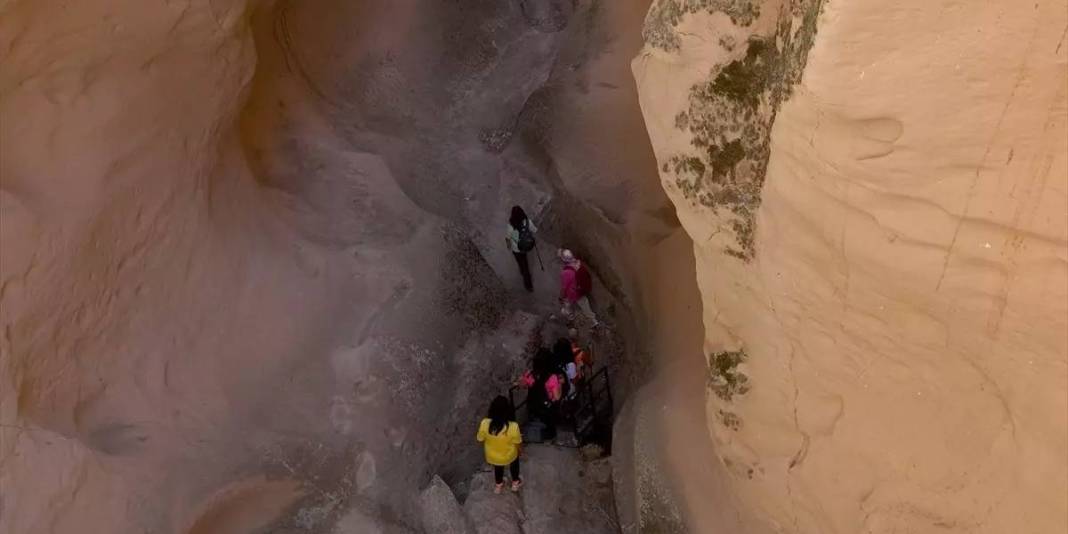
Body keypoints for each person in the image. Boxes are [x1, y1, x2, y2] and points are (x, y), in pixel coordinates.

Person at [476, 396, 524, 494]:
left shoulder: (485, 423)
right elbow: (518, 443)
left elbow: (480, 439)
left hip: (493, 456)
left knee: (498, 466)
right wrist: (520, 451)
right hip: (509, 455)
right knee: (515, 462)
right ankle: (515, 483)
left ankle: (498, 486)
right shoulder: (513, 426)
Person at [558, 249, 599, 327]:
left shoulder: (565, 273)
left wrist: (561, 297)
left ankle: (571, 318)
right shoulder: (579, 264)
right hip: (581, 292)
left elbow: (564, 288)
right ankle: (594, 322)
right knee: (585, 307)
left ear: (563, 261)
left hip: (572, 294)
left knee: (566, 308)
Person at [505, 206, 537, 292]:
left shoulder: (510, 226)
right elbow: (534, 230)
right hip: (525, 248)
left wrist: (508, 246)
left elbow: (507, 238)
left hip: (516, 249)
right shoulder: (528, 222)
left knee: (520, 261)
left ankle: (522, 270)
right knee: (525, 262)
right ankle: (529, 286)